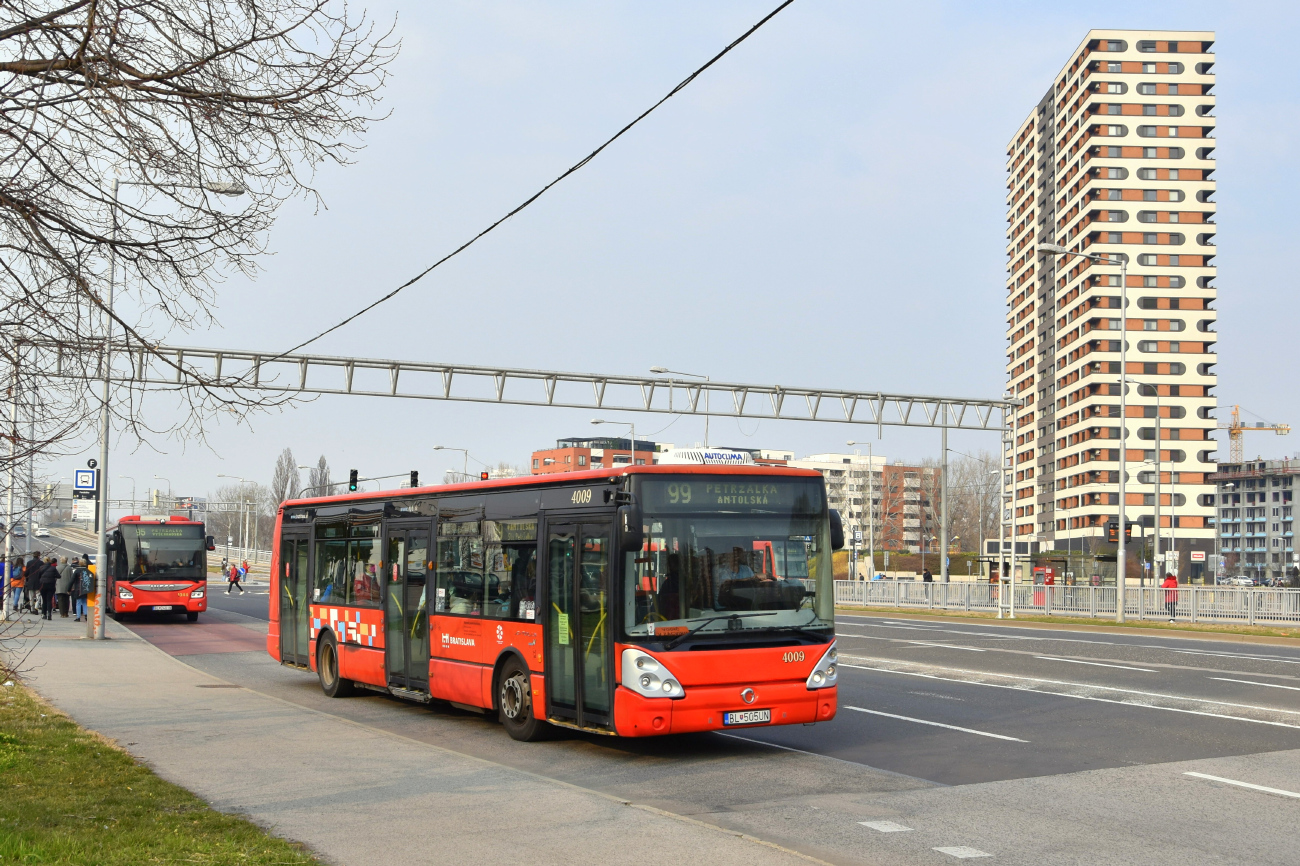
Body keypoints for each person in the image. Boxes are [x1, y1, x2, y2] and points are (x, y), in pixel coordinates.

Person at [71, 558, 90, 622]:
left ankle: (78, 617)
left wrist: (69, 588)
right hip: (85, 589)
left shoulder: (77, 571)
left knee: (78, 603)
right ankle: (86, 615)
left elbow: (72, 580)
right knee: (84, 602)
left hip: (78, 589)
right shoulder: (87, 570)